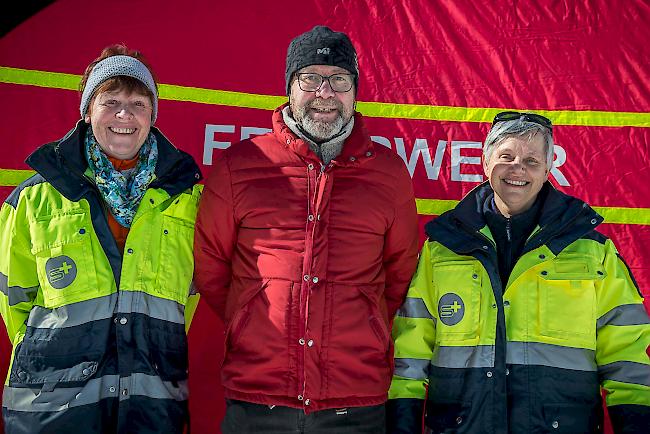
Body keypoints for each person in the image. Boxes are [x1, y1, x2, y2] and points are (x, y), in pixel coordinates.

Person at [194, 25, 419, 433]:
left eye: (339, 79)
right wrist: (251, 316)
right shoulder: (240, 165)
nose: (325, 93)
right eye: (310, 78)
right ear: (289, 87)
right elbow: (210, 264)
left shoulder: (389, 173)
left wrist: (364, 321)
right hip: (258, 395)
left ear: (354, 90)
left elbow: (400, 272)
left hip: (355, 399)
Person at [386, 111, 650, 433]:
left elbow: (629, 353)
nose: (518, 169)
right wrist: (401, 423)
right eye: (506, 156)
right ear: (485, 163)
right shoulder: (442, 248)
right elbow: (409, 351)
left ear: (548, 169)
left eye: (531, 160)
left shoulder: (592, 250)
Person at [0, 44, 202, 433]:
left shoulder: (188, 200)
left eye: (139, 103)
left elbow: (185, 299)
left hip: (151, 406)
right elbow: (14, 302)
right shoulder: (32, 199)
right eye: (110, 101)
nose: (124, 115)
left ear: (153, 115)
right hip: (53, 410)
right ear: (87, 111)